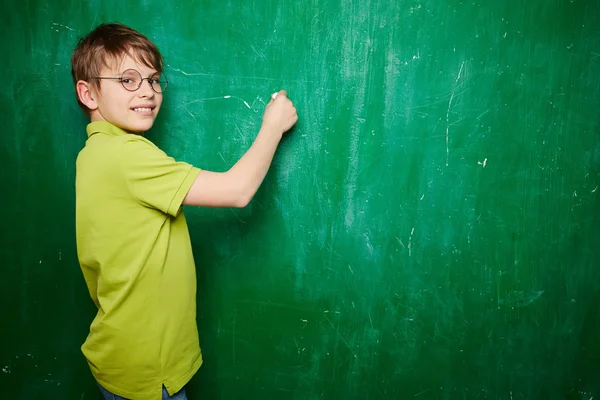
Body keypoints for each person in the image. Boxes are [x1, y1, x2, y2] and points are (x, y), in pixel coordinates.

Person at [71, 22, 298, 400]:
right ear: (87, 93)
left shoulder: (94, 153)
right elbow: (237, 190)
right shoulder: (127, 156)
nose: (147, 91)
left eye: (153, 80)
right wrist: (273, 125)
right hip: (147, 365)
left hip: (121, 354)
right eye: (128, 80)